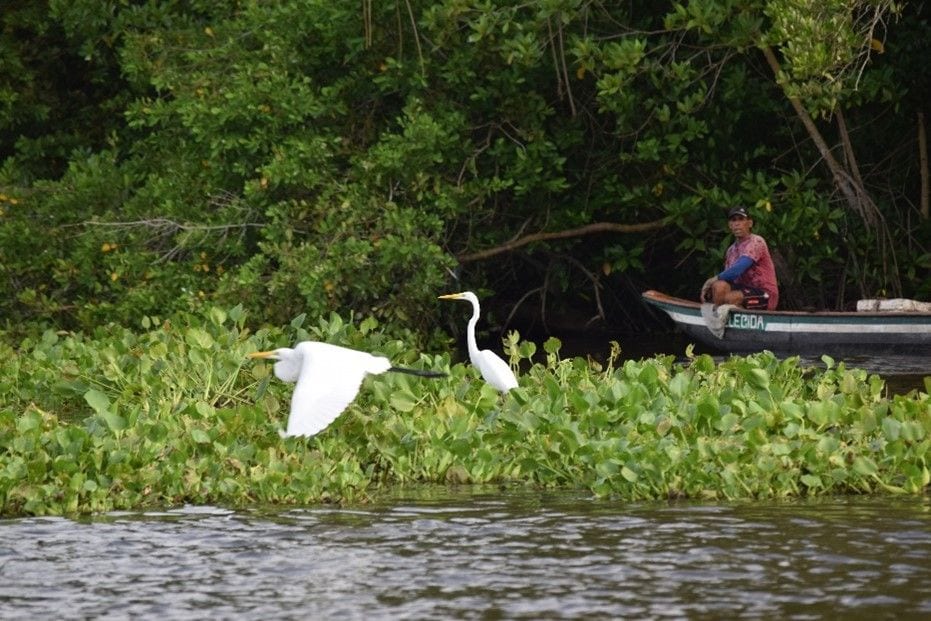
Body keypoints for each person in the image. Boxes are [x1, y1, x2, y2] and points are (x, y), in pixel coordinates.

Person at [700, 206, 779, 310]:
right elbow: (727, 278)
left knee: (730, 298)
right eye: (733, 220)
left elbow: (739, 268)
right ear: (730, 225)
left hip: (764, 293)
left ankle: (726, 312)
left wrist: (711, 280)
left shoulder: (756, 242)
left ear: (749, 223)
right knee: (719, 286)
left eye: (741, 219)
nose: (737, 223)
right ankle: (718, 319)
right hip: (742, 289)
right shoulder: (731, 250)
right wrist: (711, 289)